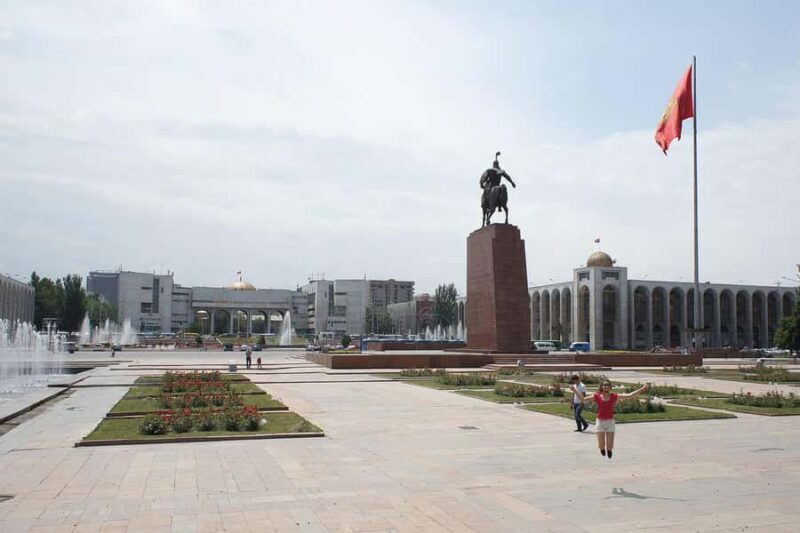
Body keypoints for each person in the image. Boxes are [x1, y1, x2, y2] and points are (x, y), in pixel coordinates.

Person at [585, 380, 649, 459]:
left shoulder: (614, 396)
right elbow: (583, 399)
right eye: (604, 385)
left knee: (610, 445)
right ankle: (602, 449)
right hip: (600, 421)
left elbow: (630, 395)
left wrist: (643, 388)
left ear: (610, 387)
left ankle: (609, 450)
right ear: (601, 386)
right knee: (601, 444)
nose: (606, 386)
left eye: (607, 385)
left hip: (610, 422)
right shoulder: (596, 396)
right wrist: (575, 392)